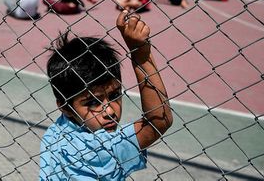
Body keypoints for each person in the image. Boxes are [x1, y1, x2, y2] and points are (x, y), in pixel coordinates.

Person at [40, 12, 173, 180]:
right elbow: (159, 121)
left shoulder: (55, 132)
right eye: (92, 102)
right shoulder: (103, 146)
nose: (109, 110)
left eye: (115, 95)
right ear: (66, 107)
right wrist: (140, 54)